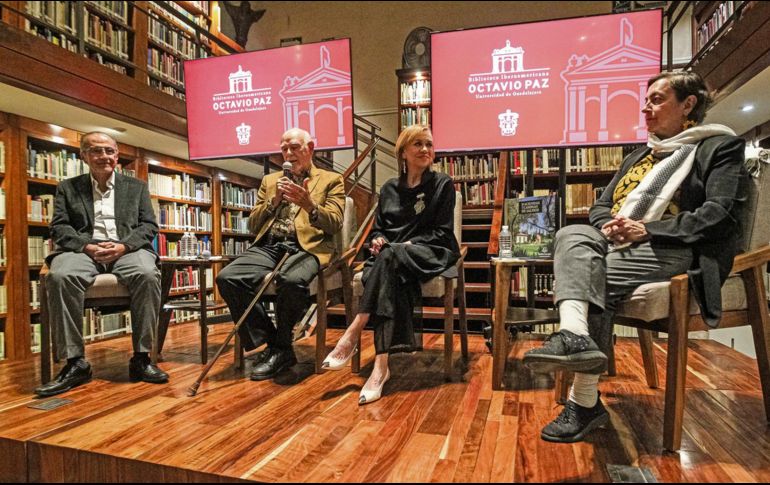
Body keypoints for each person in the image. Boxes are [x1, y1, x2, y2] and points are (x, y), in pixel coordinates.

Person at [522, 71, 749, 443]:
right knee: (570, 234)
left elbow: (719, 213)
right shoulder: (640, 155)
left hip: (674, 247)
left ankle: (583, 399)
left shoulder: (719, 147)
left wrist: (647, 229)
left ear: (688, 105)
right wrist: (612, 225)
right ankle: (576, 336)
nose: (645, 108)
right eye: (645, 101)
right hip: (620, 242)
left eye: (657, 99)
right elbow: (600, 206)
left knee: (590, 277)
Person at [322, 124, 460, 404]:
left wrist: (406, 244)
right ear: (403, 152)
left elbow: (443, 231)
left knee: (390, 257)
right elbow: (379, 229)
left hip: (430, 251)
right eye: (418, 144)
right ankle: (381, 366)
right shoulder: (388, 189)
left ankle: (354, 331)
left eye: (429, 144)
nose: (425, 149)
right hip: (392, 259)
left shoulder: (442, 184)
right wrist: (378, 240)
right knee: (389, 263)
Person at [35, 132, 167, 397]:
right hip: (84, 249)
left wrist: (124, 246)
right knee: (60, 276)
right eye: (96, 150)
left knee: (147, 273)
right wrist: (87, 246)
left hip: (126, 248)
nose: (104, 156)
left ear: (117, 156)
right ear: (84, 155)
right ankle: (76, 363)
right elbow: (59, 227)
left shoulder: (137, 187)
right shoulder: (68, 187)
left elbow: (149, 226)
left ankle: (142, 358)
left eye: (109, 151)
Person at [216, 128, 345, 381]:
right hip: (270, 245)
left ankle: (281, 346)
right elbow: (253, 226)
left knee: (291, 280)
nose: (288, 153)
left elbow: (335, 223)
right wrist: (273, 202)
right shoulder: (269, 181)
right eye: (284, 148)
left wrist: (309, 204)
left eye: (294, 147)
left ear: (310, 148)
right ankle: (277, 345)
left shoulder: (331, 180)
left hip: (307, 247)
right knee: (227, 277)